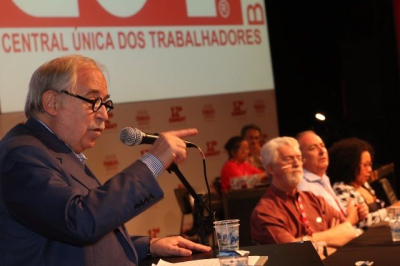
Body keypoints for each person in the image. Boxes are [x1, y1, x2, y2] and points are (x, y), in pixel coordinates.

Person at [0, 55, 211, 266]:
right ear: (52, 103)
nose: (104, 115)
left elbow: (66, 242)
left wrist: (147, 245)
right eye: (94, 101)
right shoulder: (21, 156)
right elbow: (80, 222)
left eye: (106, 103)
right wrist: (153, 161)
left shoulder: (55, 150)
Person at [250, 137, 360, 251]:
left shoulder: (313, 199)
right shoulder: (265, 212)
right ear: (271, 169)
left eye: (299, 158)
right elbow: (295, 252)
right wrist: (332, 237)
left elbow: (348, 232)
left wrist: (308, 241)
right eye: (288, 159)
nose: (297, 164)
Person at [328, 137, 400, 229]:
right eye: (365, 165)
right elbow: (359, 223)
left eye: (370, 165)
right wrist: (391, 210)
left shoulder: (364, 185)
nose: (369, 170)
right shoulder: (341, 190)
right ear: (350, 166)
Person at [296, 131, 368, 220]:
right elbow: (325, 227)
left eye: (322, 145)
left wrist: (356, 213)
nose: (322, 151)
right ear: (300, 157)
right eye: (313, 148)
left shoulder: (323, 179)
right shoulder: (304, 188)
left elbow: (337, 219)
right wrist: (350, 219)